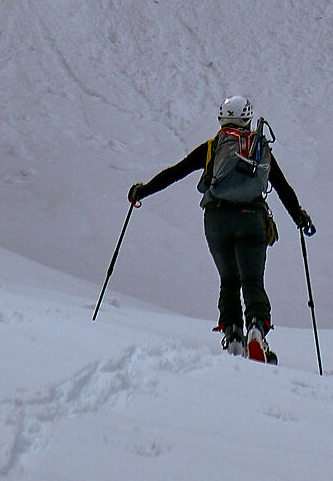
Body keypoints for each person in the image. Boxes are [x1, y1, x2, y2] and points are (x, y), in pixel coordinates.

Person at [129, 94, 315, 361]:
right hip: (252, 219)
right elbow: (283, 188)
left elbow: (175, 172)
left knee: (229, 280)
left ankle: (233, 334)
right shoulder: (260, 148)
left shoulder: (211, 147)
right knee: (252, 280)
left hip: (217, 221)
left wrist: (142, 191)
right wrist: (299, 217)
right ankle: (257, 330)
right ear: (248, 119)